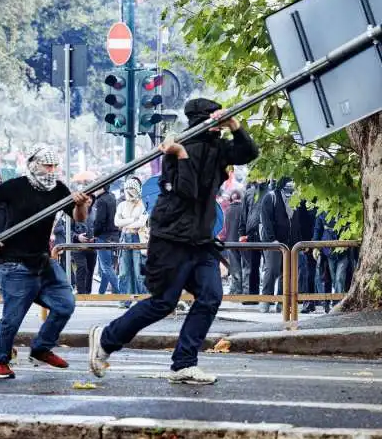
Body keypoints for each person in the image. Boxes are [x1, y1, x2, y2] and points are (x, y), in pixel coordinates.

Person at [88, 98, 258, 384]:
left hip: (201, 241)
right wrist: (180, 155)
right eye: (213, 119)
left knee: (211, 296)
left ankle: (184, 363)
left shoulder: (217, 149)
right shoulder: (175, 149)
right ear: (200, 120)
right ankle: (106, 338)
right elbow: (188, 191)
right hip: (171, 240)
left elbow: (248, 152)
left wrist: (235, 126)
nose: (217, 125)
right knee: (163, 302)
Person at [0, 146, 89, 379]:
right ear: (33, 164)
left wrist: (80, 204)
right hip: (14, 262)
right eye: (47, 165)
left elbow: (78, 218)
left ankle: (41, 347)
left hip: (42, 260)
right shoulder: (16, 186)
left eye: (55, 166)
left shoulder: (58, 189)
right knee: (13, 317)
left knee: (65, 304)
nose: (52, 170)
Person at [259, 177, 303, 313]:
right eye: (288, 185)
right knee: (271, 270)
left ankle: (282, 302)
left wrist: (299, 241)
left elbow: (297, 223)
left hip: (290, 243)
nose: (291, 189)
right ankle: (266, 300)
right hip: (274, 243)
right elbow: (266, 220)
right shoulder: (270, 198)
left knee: (288, 274)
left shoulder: (295, 199)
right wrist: (272, 239)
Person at [114, 176, 147, 297]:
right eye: (127, 188)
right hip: (124, 237)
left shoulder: (142, 204)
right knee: (123, 272)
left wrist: (125, 222)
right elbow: (116, 222)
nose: (129, 191)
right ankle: (124, 299)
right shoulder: (121, 205)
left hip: (137, 237)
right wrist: (133, 219)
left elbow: (141, 223)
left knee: (139, 272)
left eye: (132, 188)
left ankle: (144, 299)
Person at [91, 185, 121, 295]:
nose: (94, 189)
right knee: (107, 266)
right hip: (114, 236)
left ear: (102, 188)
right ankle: (101, 292)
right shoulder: (112, 198)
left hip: (103, 236)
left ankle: (121, 293)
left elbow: (100, 221)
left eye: (97, 187)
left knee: (106, 266)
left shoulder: (101, 201)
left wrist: (94, 234)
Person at [224, 190, 244, 295]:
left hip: (230, 242)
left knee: (234, 267)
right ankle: (243, 289)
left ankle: (236, 289)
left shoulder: (228, 210)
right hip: (243, 241)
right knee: (244, 266)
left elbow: (225, 228)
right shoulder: (243, 209)